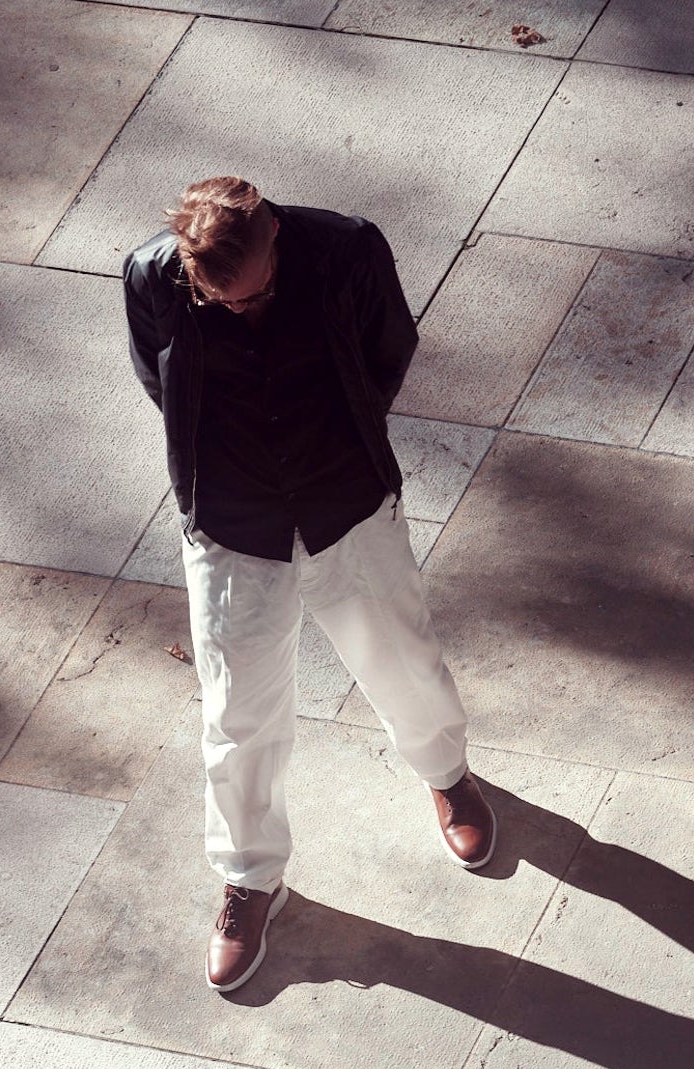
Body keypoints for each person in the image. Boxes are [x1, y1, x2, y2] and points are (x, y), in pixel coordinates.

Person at [122, 177, 496, 992]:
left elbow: (386, 352)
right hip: (231, 515)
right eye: (217, 300)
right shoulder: (152, 276)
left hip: (344, 493)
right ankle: (251, 879)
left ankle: (448, 776)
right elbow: (161, 380)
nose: (238, 310)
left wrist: (333, 429)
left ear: (276, 243)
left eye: (253, 294)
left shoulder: (346, 249)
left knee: (400, 656)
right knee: (236, 709)